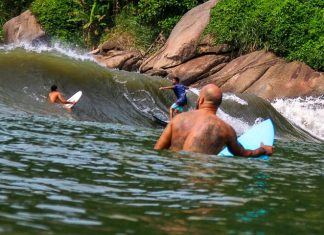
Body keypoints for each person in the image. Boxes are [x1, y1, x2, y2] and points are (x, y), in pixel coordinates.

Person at [154, 84, 273, 157]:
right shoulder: (225, 130)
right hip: (199, 181)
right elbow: (244, 154)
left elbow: (158, 150)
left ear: (200, 100)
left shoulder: (178, 119)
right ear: (218, 105)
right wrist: (263, 149)